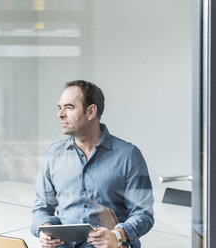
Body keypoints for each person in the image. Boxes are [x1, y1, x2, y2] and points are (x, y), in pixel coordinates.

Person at [31, 80, 154, 248]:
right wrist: (44, 229)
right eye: (59, 108)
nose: (60, 114)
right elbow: (41, 209)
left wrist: (116, 236)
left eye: (69, 107)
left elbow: (144, 214)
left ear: (91, 112)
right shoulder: (52, 155)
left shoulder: (129, 155)